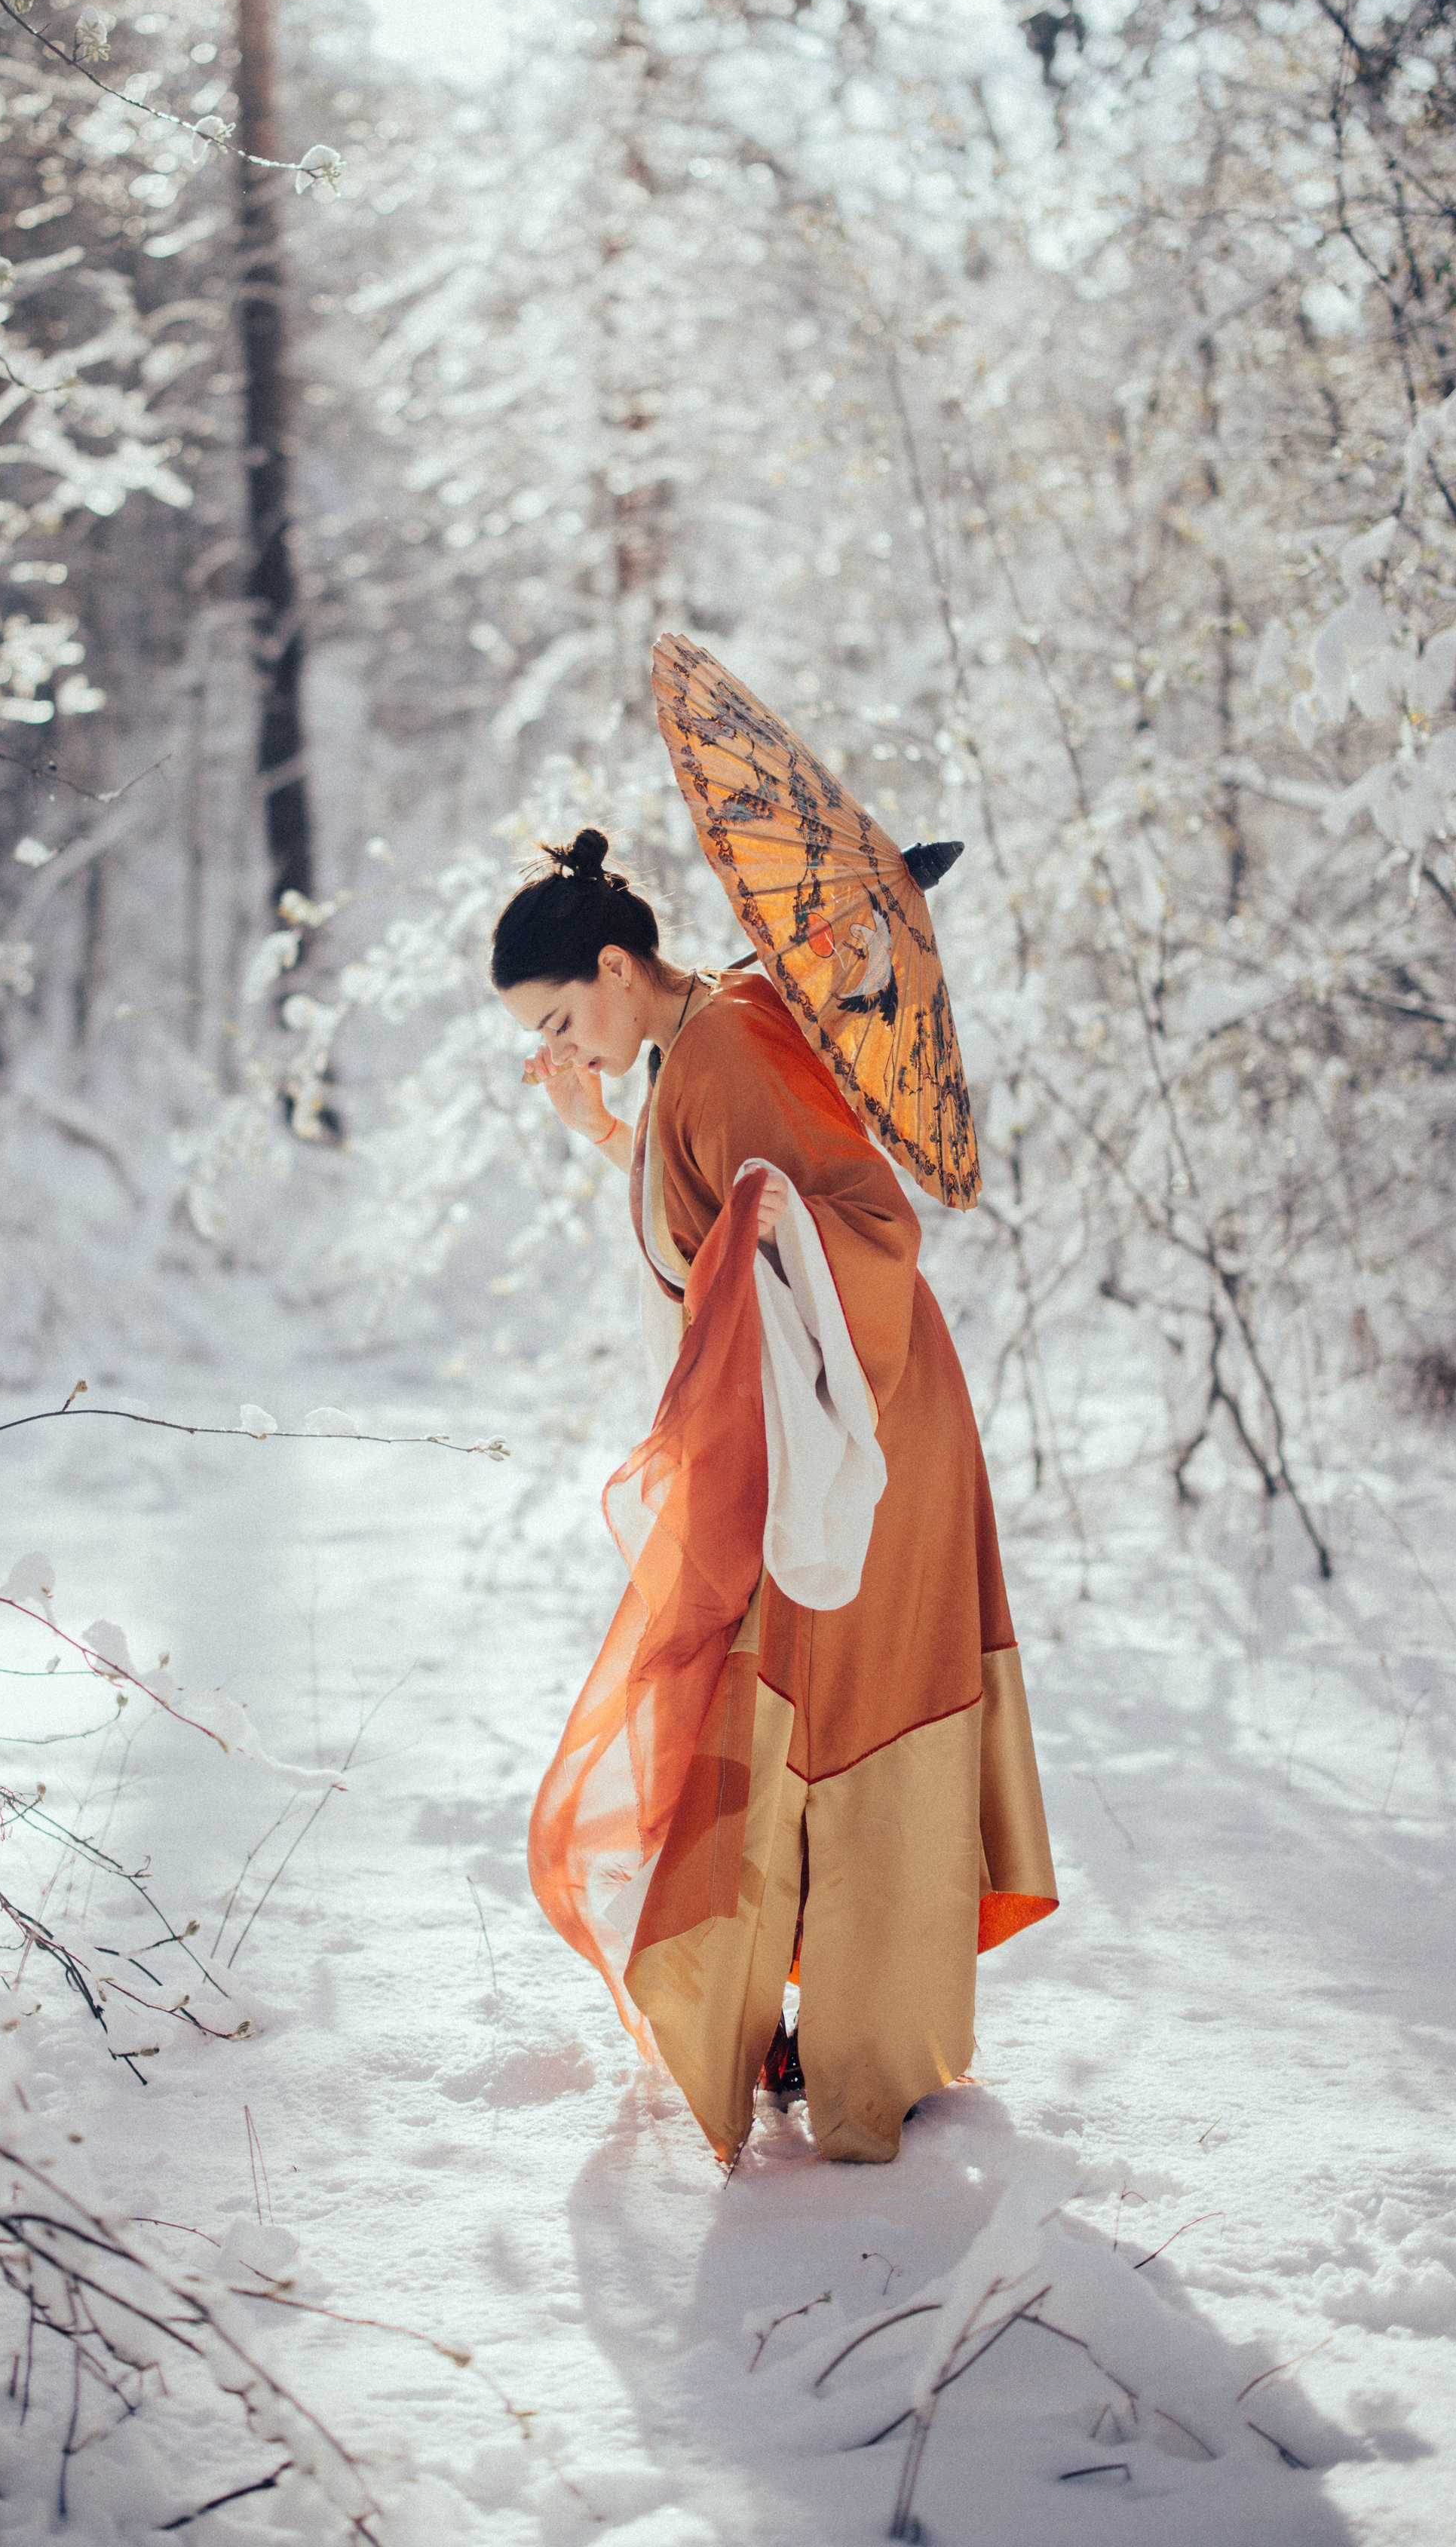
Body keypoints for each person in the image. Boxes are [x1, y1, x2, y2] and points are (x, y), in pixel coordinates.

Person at [495, 828, 1056, 2167]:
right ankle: (809, 2012)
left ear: (621, 967)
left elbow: (847, 1225)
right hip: (812, 1420)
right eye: (540, 1036)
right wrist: (614, 1130)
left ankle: (867, 2044)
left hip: (862, 1424)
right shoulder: (706, 1037)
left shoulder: (734, 1046)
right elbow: (716, 1225)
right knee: (785, 1696)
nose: (563, 1046)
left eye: (568, 1018)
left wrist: (739, 1240)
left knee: (829, 1699)